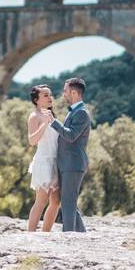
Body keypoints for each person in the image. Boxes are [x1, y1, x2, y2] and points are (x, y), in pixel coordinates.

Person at [42, 78, 91, 232]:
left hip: (73, 164)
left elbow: (71, 136)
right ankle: (82, 234)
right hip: (67, 164)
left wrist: (53, 121)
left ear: (74, 92)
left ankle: (68, 236)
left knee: (68, 202)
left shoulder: (82, 113)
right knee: (68, 201)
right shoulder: (75, 111)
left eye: (66, 91)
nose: (64, 94)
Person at [27, 84, 60, 232]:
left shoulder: (52, 116)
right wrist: (44, 124)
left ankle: (45, 234)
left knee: (56, 201)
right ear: (36, 100)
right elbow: (32, 141)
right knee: (41, 201)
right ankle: (31, 235)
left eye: (50, 95)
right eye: (46, 95)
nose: (50, 98)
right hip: (43, 161)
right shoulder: (34, 116)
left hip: (56, 162)